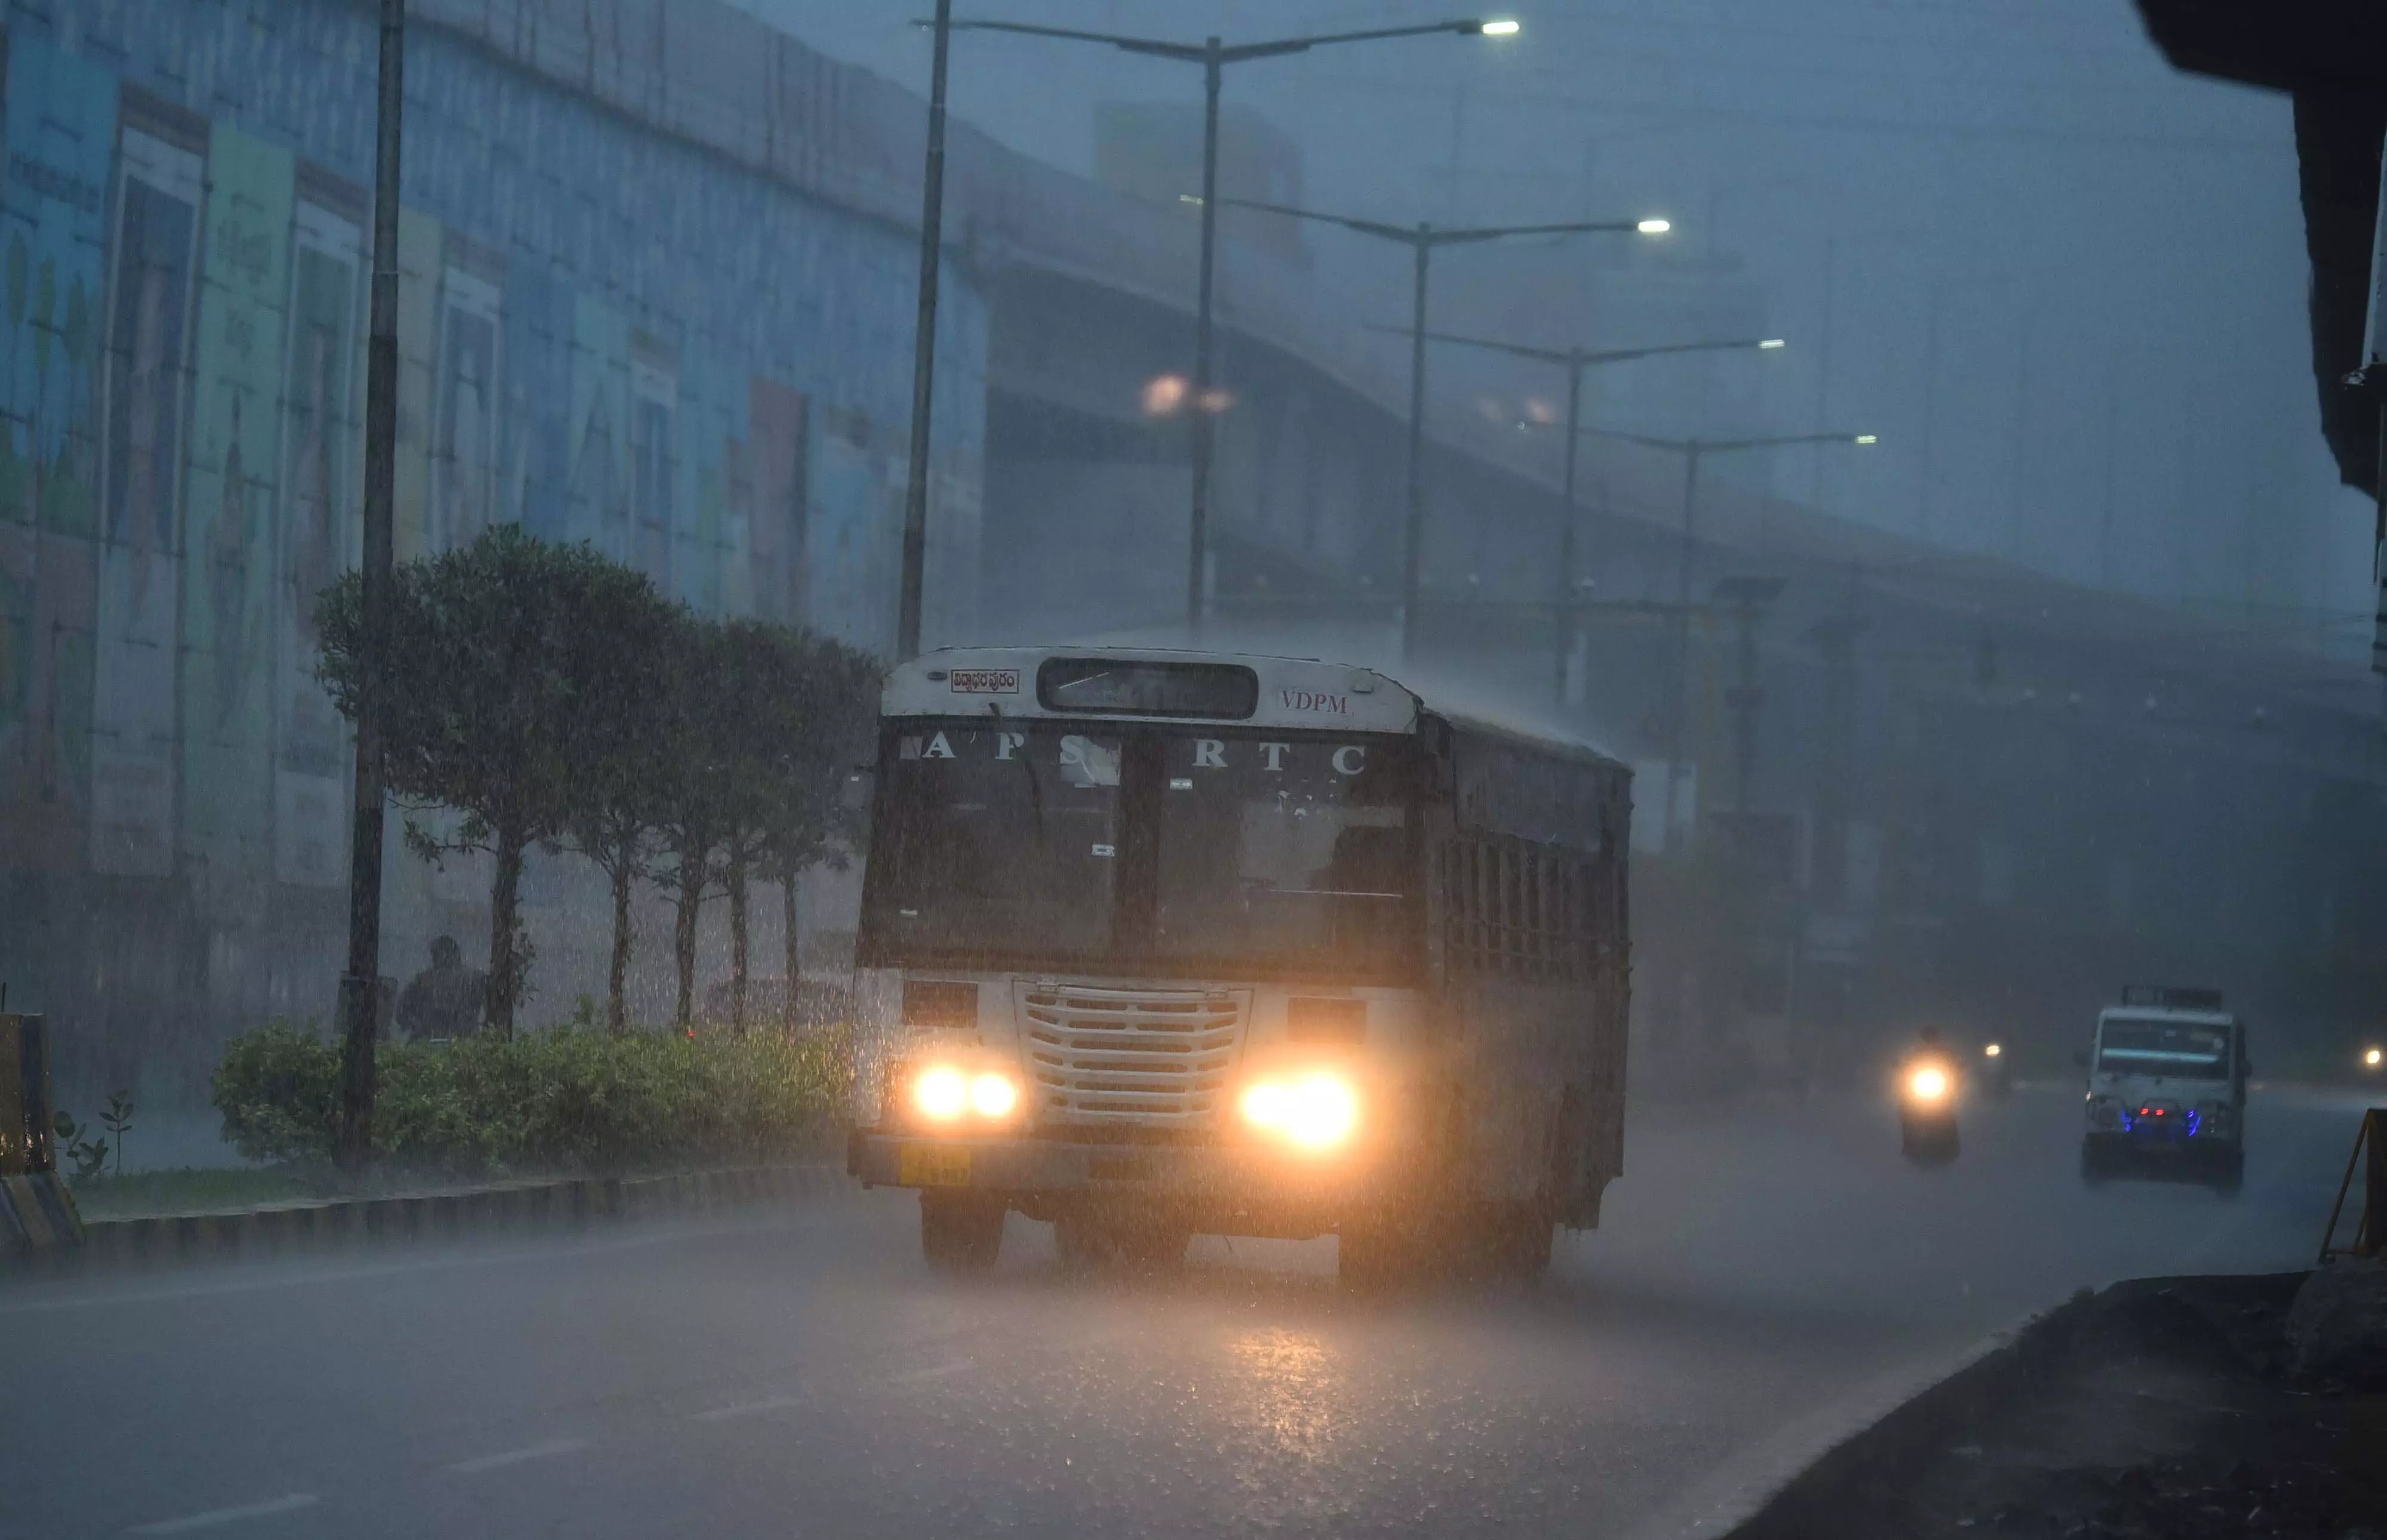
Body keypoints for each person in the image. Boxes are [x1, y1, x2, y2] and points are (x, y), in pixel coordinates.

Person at [397, 937, 485, 1042]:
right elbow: (401, 1011)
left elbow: (401, 1011)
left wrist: (418, 1026)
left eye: (435, 955)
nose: (433, 958)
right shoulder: (474, 978)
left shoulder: (423, 980)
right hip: (462, 1046)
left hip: (432, 1045)